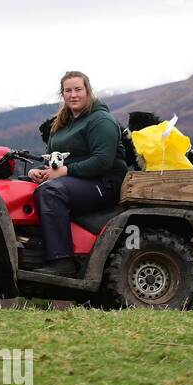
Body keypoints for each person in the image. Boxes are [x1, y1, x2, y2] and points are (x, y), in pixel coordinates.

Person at [27, 70, 127, 277]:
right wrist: (40, 172)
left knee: (51, 192)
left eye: (78, 90)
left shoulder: (101, 120)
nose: (73, 95)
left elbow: (103, 161)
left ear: (88, 91)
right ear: (62, 94)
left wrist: (65, 171)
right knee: (24, 187)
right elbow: (54, 159)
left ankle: (62, 261)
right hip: (75, 180)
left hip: (104, 183)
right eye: (68, 90)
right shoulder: (61, 123)